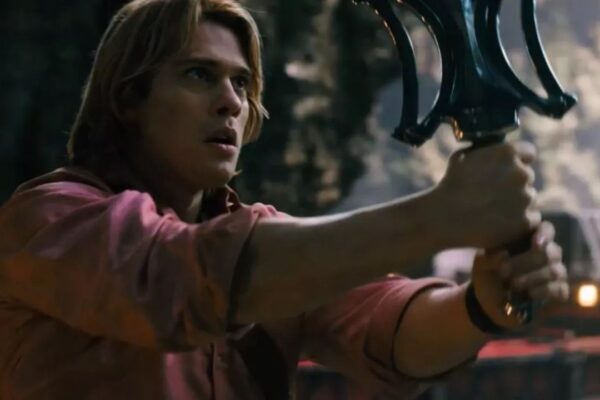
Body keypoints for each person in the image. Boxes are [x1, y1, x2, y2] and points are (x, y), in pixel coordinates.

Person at [0, 0, 569, 399]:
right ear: (129, 98)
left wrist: (481, 304)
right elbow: (179, 281)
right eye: (199, 75)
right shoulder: (50, 219)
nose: (231, 102)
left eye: (242, 83)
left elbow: (389, 331)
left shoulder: (273, 247)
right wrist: (441, 216)